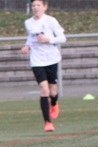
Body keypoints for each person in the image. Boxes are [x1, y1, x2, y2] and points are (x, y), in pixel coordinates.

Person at [21, 0, 66, 132]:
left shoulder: (51, 21)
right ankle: (48, 122)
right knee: (44, 90)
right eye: (33, 5)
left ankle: (54, 103)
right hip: (37, 60)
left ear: (45, 7)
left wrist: (48, 39)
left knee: (53, 92)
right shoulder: (28, 22)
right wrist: (27, 46)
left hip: (51, 58)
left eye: (38, 5)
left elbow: (62, 38)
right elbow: (31, 37)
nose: (35, 8)